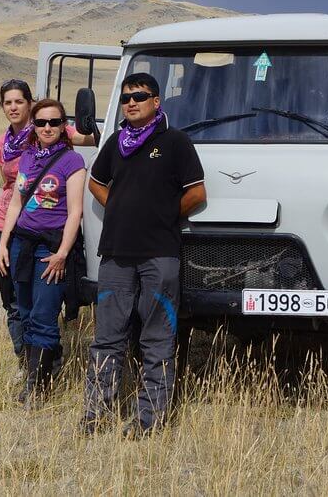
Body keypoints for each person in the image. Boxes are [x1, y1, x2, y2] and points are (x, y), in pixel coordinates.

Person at [81, 72, 206, 437]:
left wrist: (164, 216)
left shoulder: (176, 142)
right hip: (116, 254)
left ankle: (150, 420)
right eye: (126, 98)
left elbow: (197, 193)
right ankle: (96, 414)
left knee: (156, 338)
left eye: (140, 96)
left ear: (156, 102)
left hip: (159, 255)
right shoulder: (116, 142)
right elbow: (96, 182)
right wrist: (118, 207)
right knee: (107, 337)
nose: (131, 102)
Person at [0, 99, 87, 409]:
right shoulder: (28, 157)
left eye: (54, 122)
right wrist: (5, 242)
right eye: (41, 122)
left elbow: (75, 212)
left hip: (51, 247)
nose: (47, 127)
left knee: (44, 315)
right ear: (33, 126)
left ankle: (39, 388)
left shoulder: (72, 161)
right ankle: (33, 376)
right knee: (24, 309)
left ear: (64, 125)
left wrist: (63, 252)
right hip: (22, 243)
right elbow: (17, 203)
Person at [0, 79, 34, 369]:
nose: (13, 107)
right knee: (11, 296)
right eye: (8, 102)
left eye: (19, 101)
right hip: (2, 220)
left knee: (33, 293)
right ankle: (24, 360)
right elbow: (7, 183)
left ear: (30, 103)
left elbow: (83, 138)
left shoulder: (46, 129)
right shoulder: (0, 143)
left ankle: (42, 359)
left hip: (35, 221)